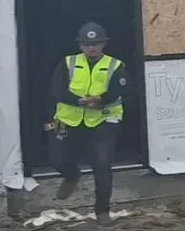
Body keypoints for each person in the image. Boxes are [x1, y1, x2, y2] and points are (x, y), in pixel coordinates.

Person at [46, 22, 129, 219]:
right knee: (58, 159)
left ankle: (102, 211)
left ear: (104, 45)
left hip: (103, 119)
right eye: (87, 44)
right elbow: (56, 89)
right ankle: (72, 175)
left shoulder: (115, 65)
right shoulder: (68, 63)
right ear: (80, 46)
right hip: (68, 119)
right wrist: (77, 101)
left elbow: (122, 91)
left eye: (97, 43)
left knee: (102, 164)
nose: (92, 48)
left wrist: (101, 100)